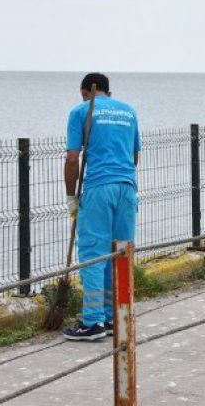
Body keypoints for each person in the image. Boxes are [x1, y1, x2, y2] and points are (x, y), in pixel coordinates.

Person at [63, 73, 141, 341]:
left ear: (85, 92)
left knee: (93, 253)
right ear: (110, 91)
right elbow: (135, 155)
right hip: (128, 188)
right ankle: (112, 316)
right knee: (119, 251)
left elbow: (73, 158)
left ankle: (92, 322)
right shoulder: (128, 112)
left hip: (98, 187)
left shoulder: (80, 111)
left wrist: (71, 196)